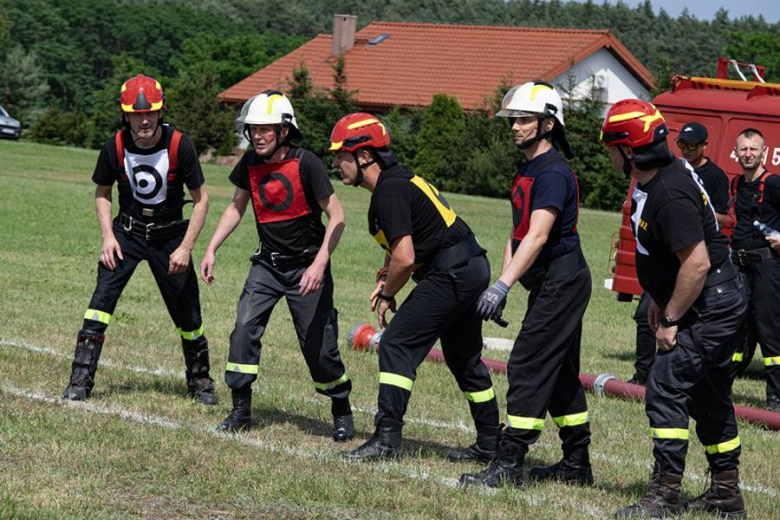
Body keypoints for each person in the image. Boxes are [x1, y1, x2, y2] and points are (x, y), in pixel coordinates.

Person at [602, 100, 747, 519]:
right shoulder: (661, 178)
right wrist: (662, 299)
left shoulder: (669, 192)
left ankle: (664, 497)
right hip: (709, 299)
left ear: (628, 150)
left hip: (709, 304)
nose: (607, 153)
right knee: (709, 394)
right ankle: (725, 493)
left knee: (665, 387)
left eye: (610, 144)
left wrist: (670, 319)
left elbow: (697, 262)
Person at [329, 113, 501, 462]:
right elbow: (404, 249)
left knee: (396, 344)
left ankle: (387, 439)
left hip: (452, 272)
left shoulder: (389, 191)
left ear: (364, 156)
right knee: (463, 358)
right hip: (469, 267)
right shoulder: (396, 183)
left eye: (340, 155)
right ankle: (490, 442)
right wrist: (384, 275)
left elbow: (405, 259)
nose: (334, 163)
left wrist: (390, 292)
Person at [459, 81, 593, 488]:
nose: (515, 126)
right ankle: (576, 464)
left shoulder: (553, 173)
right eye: (513, 119)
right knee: (561, 373)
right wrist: (504, 285)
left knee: (528, 365)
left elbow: (538, 236)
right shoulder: (529, 168)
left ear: (548, 124)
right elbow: (516, 234)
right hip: (551, 281)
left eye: (523, 119)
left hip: (563, 280)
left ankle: (510, 463)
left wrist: (499, 286)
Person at [200, 91, 353, 440]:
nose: (257, 135)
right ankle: (241, 410)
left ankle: (341, 409)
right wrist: (211, 248)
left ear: (284, 131)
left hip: (307, 269)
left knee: (318, 348)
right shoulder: (250, 162)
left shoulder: (307, 163)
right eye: (253, 129)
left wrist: (318, 264)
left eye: (266, 129)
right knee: (243, 329)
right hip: (266, 266)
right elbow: (237, 207)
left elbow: (338, 217)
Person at [62, 74, 216, 404]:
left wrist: (186, 248)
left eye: (150, 113)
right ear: (126, 114)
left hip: (170, 236)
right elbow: (103, 193)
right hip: (126, 233)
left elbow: (202, 200)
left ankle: (200, 381)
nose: (144, 120)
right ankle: (80, 381)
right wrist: (107, 237)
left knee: (188, 315)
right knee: (100, 304)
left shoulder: (180, 146)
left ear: (160, 113)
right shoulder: (114, 146)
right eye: (136, 113)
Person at [628, 122, 731, 386]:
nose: (685, 150)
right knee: (643, 317)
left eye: (691, 145)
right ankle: (642, 373)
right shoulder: (670, 171)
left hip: (695, 275)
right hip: (668, 274)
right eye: (681, 144)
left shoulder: (695, 182)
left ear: (704, 145)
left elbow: (700, 256)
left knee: (669, 391)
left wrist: (670, 318)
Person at [730, 128, 780, 412]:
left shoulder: (773, 183)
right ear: (736, 152)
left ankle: (775, 397)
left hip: (767, 268)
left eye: (753, 149)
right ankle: (723, 386)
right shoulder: (737, 184)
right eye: (743, 149)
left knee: (769, 329)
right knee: (736, 328)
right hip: (739, 266)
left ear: (764, 152)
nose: (748, 154)